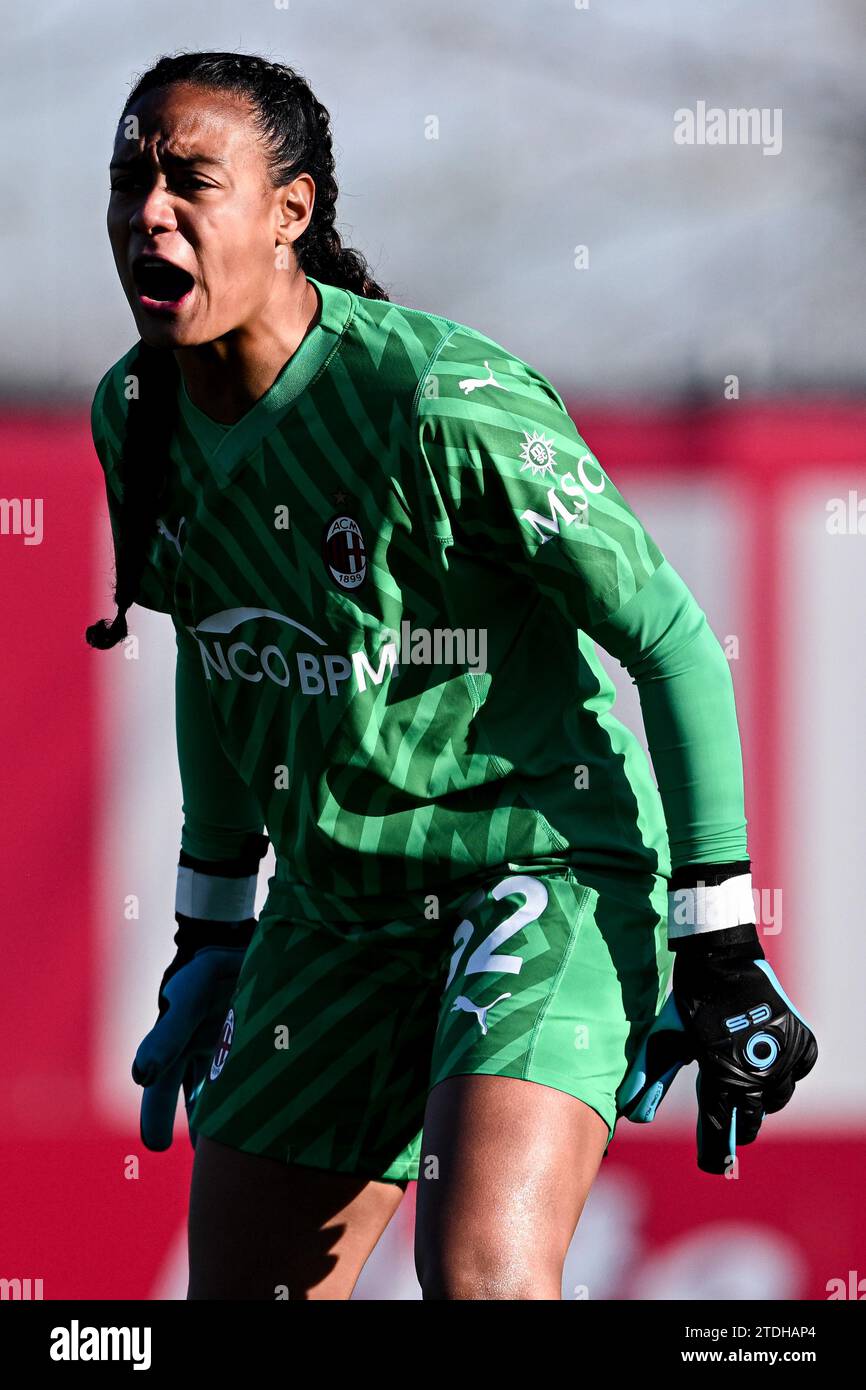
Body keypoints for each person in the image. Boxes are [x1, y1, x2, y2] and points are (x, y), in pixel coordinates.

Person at [88, 50, 817, 1301]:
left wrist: (717, 937)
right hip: (335, 909)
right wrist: (211, 929)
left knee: (481, 1276)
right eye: (129, 180)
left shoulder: (440, 401)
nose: (149, 211)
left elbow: (674, 641)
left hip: (536, 871)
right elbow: (221, 655)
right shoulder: (136, 412)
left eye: (190, 180)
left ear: (291, 212)